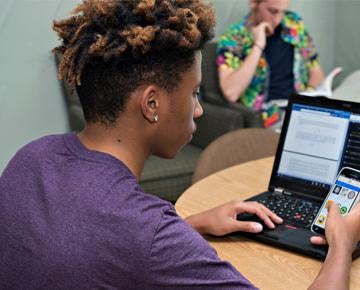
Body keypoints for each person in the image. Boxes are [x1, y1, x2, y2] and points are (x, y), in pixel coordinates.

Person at [0, 0, 359, 289]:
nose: (199, 109)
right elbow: (137, 242)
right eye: (194, 92)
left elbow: (92, 246)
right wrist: (342, 241)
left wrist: (193, 223)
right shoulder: (149, 233)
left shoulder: (31, 156)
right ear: (151, 104)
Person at [217, 0, 325, 127]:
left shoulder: (294, 23)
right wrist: (258, 46)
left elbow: (316, 71)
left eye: (283, 12)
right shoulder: (234, 37)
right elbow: (231, 92)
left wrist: (308, 94)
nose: (278, 19)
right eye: (272, 11)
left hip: (299, 109)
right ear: (253, 3)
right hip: (267, 118)